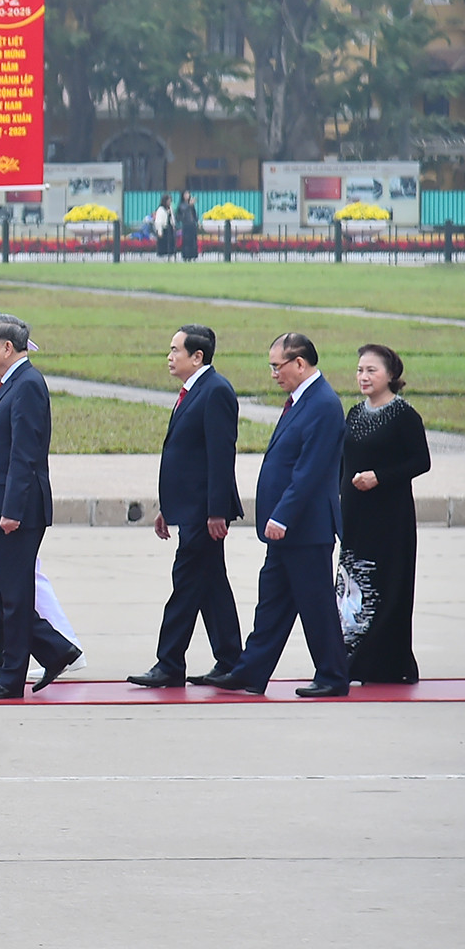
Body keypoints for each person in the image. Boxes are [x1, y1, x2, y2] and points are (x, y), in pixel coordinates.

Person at [201, 333, 349, 698]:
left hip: (305, 526)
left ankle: (332, 675)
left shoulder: (324, 404)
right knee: (272, 602)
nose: (273, 374)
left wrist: (282, 516)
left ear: (300, 362)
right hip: (287, 528)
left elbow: (310, 470)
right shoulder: (302, 400)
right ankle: (251, 671)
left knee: (316, 605)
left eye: (276, 366)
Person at [0, 312, 80, 700]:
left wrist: (11, 510)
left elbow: (25, 454)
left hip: (15, 513)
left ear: (6, 347)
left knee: (14, 596)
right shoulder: (6, 383)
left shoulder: (28, 385)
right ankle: (49, 649)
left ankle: (12, 675)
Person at [129, 325, 243, 688]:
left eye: (176, 350)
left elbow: (220, 457)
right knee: (211, 589)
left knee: (186, 587)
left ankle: (169, 664)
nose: (169, 356)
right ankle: (230, 662)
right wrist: (169, 508)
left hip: (203, 514)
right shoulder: (193, 392)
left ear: (198, 356)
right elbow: (185, 458)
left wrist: (216, 512)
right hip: (189, 509)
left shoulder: (216, 392)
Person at [339, 344, 430, 683]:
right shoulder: (354, 413)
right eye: (360, 370)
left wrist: (380, 477)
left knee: (387, 588)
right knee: (354, 590)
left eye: (371, 371)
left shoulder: (404, 415)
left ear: (391, 375)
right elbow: (343, 460)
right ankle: (352, 661)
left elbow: (421, 461)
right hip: (355, 516)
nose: (363, 376)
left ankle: (388, 665)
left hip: (389, 518)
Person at [176, 191, 200, 262]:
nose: (187, 195)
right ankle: (186, 256)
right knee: (187, 241)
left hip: (192, 224)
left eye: (188, 194)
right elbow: (182, 211)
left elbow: (194, 214)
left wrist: (197, 221)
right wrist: (189, 204)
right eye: (185, 194)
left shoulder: (191, 205)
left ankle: (193, 256)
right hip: (186, 225)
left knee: (193, 240)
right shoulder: (182, 204)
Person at [153, 194, 174, 258]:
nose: (169, 202)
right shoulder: (160, 209)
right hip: (163, 229)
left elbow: (172, 218)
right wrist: (159, 231)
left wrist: (173, 225)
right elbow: (158, 222)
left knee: (170, 244)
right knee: (163, 245)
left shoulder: (170, 208)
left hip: (169, 229)